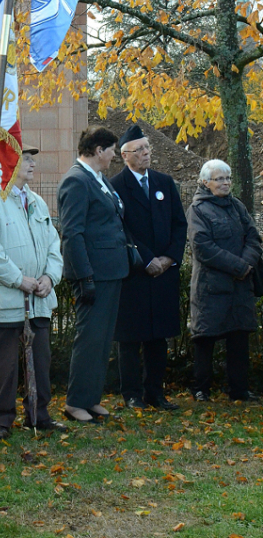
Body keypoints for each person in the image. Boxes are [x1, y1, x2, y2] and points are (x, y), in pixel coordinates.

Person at [0, 145, 65, 439]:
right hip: (7, 301)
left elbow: (54, 246)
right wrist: (20, 280)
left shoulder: (38, 203)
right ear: (9, 163)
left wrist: (49, 277)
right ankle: (2, 420)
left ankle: (39, 414)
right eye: (26, 159)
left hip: (39, 299)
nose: (32, 164)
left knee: (41, 362)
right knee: (4, 364)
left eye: (32, 159)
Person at [111, 125, 187, 410]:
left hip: (163, 274)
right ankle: (131, 394)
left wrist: (168, 258)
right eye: (140, 149)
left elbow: (180, 224)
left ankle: (155, 392)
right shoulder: (116, 186)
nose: (146, 153)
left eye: (147, 148)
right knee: (131, 337)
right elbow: (121, 229)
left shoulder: (164, 183)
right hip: (136, 274)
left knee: (158, 337)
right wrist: (146, 259)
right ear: (124, 155)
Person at [57, 126, 129, 423]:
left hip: (110, 271)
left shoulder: (98, 179)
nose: (114, 156)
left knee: (101, 340)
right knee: (89, 339)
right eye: (112, 150)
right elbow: (72, 233)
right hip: (93, 275)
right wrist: (84, 276)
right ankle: (75, 403)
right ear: (98, 150)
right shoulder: (76, 181)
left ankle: (91, 398)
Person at [187, 159, 262, 402]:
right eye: (219, 179)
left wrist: (245, 264)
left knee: (239, 338)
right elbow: (202, 247)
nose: (225, 183)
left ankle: (239, 390)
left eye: (227, 178)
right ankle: (201, 389)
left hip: (239, 285)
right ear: (205, 182)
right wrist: (239, 266)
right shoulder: (197, 210)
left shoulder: (237, 206)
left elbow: (253, 237)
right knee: (205, 339)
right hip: (211, 287)